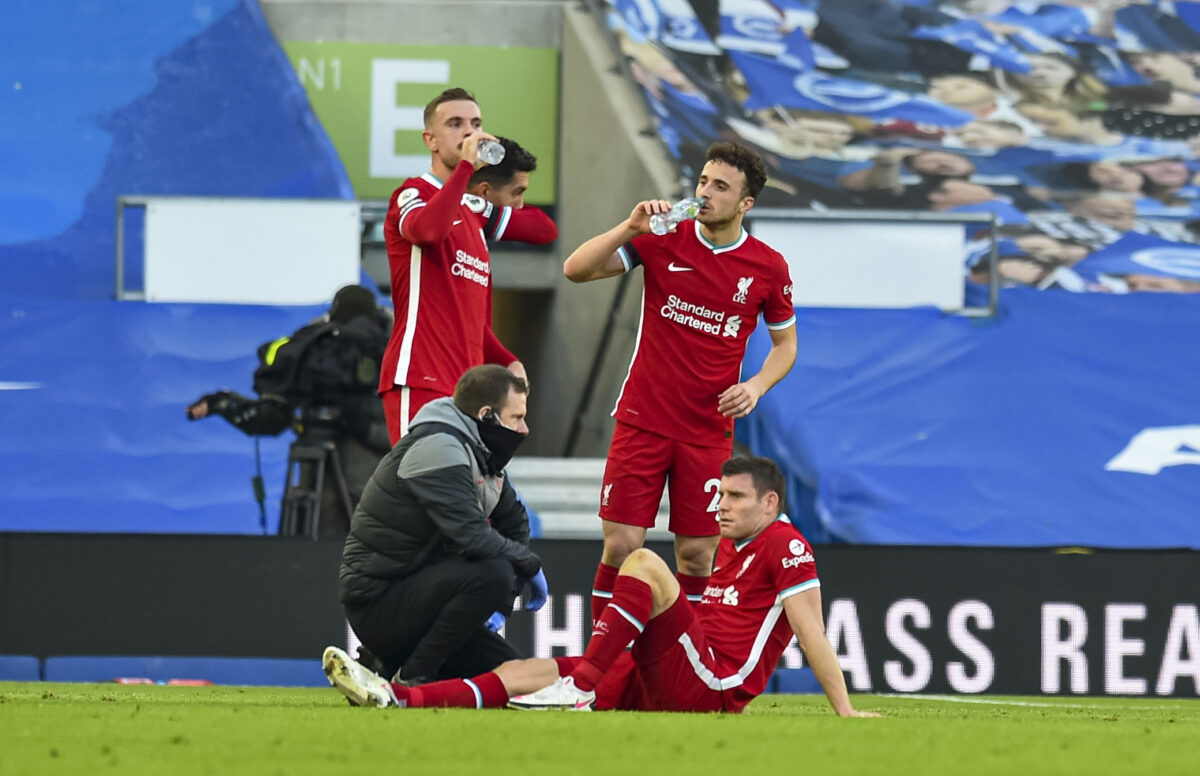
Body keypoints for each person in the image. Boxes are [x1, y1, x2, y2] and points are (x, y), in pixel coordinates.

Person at [321, 456, 878, 718]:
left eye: (734, 498)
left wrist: (845, 712)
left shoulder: (788, 545)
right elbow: (692, 617)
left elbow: (814, 635)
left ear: (770, 503)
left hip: (712, 686)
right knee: (520, 673)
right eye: (720, 495)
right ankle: (396, 697)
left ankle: (583, 683)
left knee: (645, 560)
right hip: (673, 672)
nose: (720, 506)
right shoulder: (732, 543)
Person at [563, 141, 798, 625]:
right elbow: (576, 270)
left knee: (695, 555)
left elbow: (786, 347)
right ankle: (603, 667)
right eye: (703, 181)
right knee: (623, 544)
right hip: (643, 419)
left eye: (720, 186)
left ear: (745, 204)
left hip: (707, 432)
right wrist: (630, 227)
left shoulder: (767, 267)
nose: (705, 193)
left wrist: (754, 387)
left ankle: (687, 661)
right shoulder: (664, 237)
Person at [339, 364, 548, 684]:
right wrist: (529, 565)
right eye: (517, 418)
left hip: (423, 602)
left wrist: (502, 606)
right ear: (487, 416)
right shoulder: (438, 447)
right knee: (494, 573)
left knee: (516, 677)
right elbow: (472, 535)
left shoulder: (480, 453)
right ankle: (409, 679)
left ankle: (384, 665)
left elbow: (515, 525)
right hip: (378, 601)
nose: (525, 429)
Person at [379, 87, 557, 444]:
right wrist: (465, 169)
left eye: (475, 123)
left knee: (465, 496)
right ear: (430, 139)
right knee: (424, 490)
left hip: (469, 390)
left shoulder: (472, 212)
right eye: (455, 123)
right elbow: (428, 231)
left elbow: (544, 229)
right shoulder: (412, 194)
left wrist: (507, 360)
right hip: (420, 376)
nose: (468, 133)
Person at [186, 285, 390, 536]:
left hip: (330, 469)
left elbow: (271, 415)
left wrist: (225, 403)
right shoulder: (389, 351)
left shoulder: (310, 346)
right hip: (366, 479)